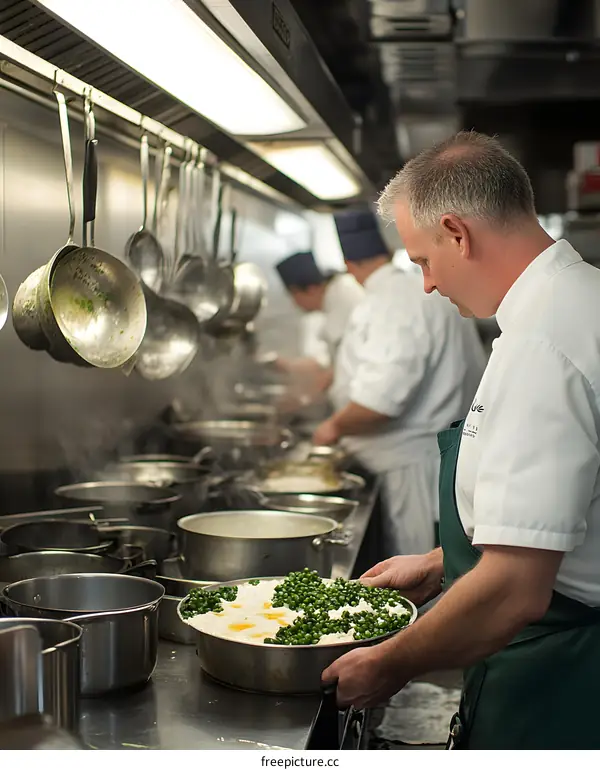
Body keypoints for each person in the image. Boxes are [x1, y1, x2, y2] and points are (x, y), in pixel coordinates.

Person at [322, 130, 600, 750]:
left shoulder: (542, 347)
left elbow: (513, 590)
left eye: (422, 260)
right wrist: (444, 562)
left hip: (564, 682)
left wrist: (387, 664)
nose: (425, 283)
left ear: (457, 232)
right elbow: (575, 517)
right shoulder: (578, 300)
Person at [313, 207, 485, 556]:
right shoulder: (416, 292)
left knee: (417, 573)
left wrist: (331, 427)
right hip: (435, 460)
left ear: (349, 264)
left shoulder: (390, 303)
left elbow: (381, 401)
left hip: (411, 471)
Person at [274, 250, 363, 397]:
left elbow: (349, 364)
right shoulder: (338, 293)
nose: (295, 304)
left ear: (311, 289)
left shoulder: (342, 297)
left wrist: (305, 398)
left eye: (294, 295)